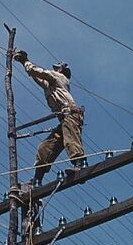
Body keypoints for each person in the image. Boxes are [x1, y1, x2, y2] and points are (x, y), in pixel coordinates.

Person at [13, 49, 86, 184]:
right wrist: (25, 65)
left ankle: (80, 165)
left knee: (70, 139)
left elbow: (38, 72)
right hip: (64, 117)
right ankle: (37, 179)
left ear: (61, 70)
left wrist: (25, 61)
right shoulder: (52, 84)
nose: (54, 69)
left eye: (56, 68)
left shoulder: (59, 78)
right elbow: (37, 77)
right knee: (46, 147)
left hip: (70, 114)